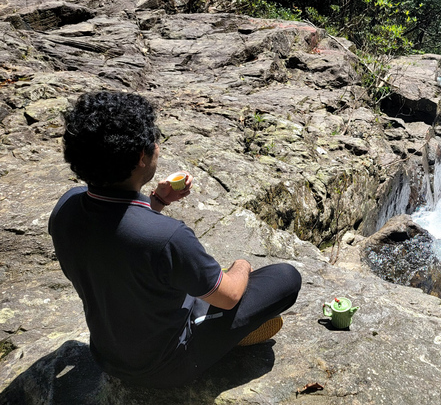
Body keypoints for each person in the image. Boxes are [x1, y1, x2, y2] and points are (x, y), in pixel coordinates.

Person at [48, 91, 302, 388]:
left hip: (107, 353)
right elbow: (230, 294)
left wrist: (155, 201)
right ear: (140, 157)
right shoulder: (167, 238)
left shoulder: (66, 208)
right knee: (285, 277)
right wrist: (242, 265)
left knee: (181, 278)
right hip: (165, 366)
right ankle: (226, 338)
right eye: (154, 141)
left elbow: (120, 243)